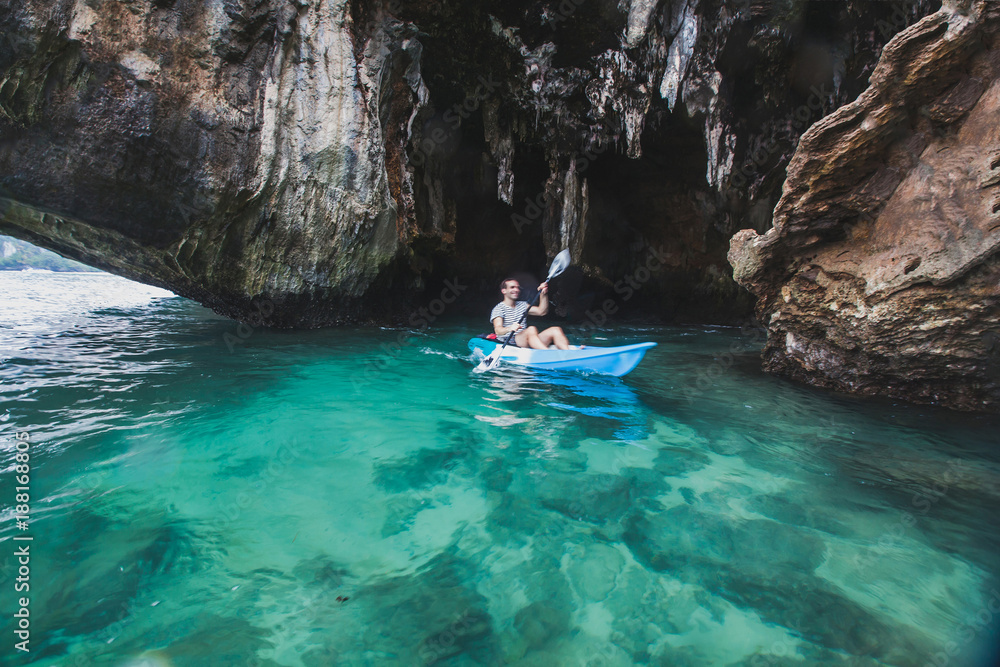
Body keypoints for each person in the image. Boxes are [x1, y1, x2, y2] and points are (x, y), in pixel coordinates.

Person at [490, 278, 570, 350]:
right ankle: (546, 352)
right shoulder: (498, 309)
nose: (517, 290)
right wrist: (510, 328)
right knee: (531, 329)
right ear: (504, 291)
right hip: (510, 341)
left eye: (518, 287)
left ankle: (568, 352)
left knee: (556, 329)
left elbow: (542, 311)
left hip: (527, 338)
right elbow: (498, 330)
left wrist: (543, 294)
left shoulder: (522, 305)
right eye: (512, 287)